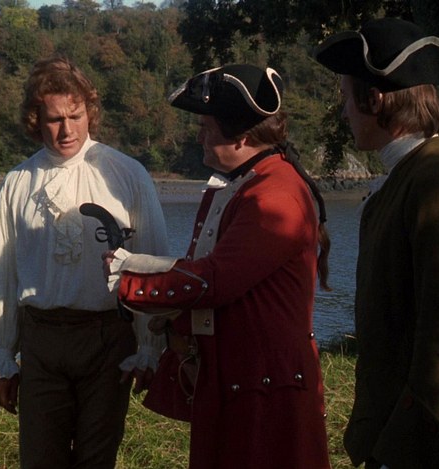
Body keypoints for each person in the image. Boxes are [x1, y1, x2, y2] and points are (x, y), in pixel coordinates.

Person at [103, 64, 332, 469]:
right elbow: (214, 271)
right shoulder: (253, 183)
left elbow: (217, 280)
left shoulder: (273, 195)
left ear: (241, 137)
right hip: (245, 380)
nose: (199, 137)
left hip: (265, 387)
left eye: (207, 127)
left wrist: (129, 280)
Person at [314, 18, 439, 469]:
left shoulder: (436, 182)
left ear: (375, 99)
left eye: (346, 98)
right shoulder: (412, 175)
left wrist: (400, 449)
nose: (344, 113)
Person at [0, 55, 169, 468]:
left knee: (96, 459)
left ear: (89, 113)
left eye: (75, 116)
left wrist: (149, 347)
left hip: (107, 339)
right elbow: (2, 274)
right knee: (40, 459)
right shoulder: (18, 183)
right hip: (42, 341)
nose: (66, 130)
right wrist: (3, 355)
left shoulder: (127, 174)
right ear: (36, 120)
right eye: (54, 119)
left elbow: (150, 261)